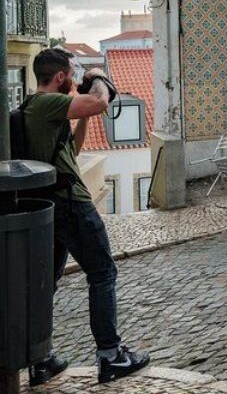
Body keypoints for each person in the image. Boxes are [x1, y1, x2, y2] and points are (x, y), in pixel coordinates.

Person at [22, 48, 150, 386]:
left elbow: (73, 150)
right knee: (102, 273)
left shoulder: (37, 110)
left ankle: (40, 359)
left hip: (50, 205)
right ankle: (111, 356)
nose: (76, 78)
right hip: (71, 203)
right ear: (61, 77)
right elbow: (100, 102)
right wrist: (98, 80)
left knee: (44, 283)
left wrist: (83, 116)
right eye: (73, 73)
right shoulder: (46, 102)